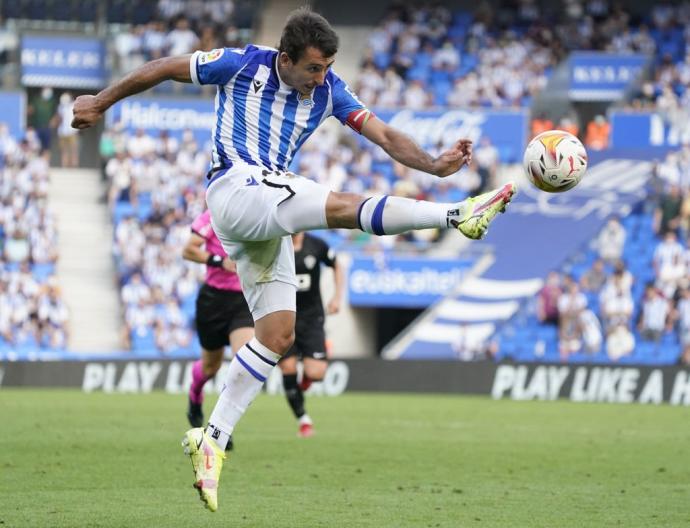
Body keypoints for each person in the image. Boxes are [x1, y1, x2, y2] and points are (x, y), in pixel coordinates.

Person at [72, 8, 516, 512]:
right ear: (284, 59)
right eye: (312, 68)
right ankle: (456, 216)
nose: (321, 77)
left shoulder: (329, 92)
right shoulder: (241, 64)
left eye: (326, 67)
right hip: (236, 188)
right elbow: (165, 67)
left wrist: (434, 163)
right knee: (338, 205)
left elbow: (386, 135)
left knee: (277, 335)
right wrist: (102, 100)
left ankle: (211, 439)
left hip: (263, 212)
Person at [182, 210, 254, 447]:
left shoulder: (255, 214)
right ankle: (195, 395)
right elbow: (188, 250)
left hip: (242, 301)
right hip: (213, 301)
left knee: (244, 363)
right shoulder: (211, 217)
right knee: (210, 367)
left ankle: (220, 425)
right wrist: (218, 261)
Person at [279, 232, 343, 438]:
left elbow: (337, 265)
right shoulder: (277, 245)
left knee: (316, 374)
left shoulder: (317, 245)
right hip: (284, 318)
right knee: (288, 368)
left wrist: (337, 297)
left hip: (312, 318)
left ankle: (307, 377)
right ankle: (303, 420)